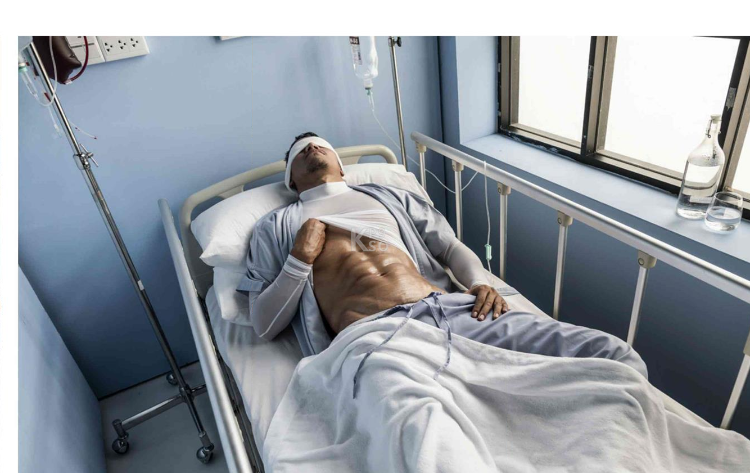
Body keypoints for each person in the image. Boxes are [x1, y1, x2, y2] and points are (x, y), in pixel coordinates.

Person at [238, 133, 646, 378]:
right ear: (291, 181)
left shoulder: (388, 196)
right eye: (300, 152)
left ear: (342, 168)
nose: (312, 147)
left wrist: (481, 283)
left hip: (448, 312)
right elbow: (263, 325)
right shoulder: (276, 228)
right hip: (376, 340)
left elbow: (448, 246)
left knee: (614, 355)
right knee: (427, 434)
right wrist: (298, 259)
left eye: (320, 145)